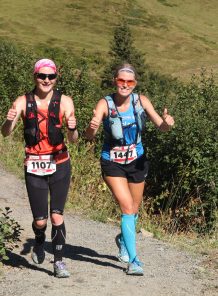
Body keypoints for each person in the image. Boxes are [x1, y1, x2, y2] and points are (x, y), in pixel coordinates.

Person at [85, 63, 174, 276]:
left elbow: (160, 126)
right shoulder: (104, 104)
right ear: (114, 81)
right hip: (112, 162)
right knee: (126, 208)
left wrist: (168, 124)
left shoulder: (141, 101)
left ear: (135, 84)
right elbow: (89, 136)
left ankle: (123, 239)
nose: (125, 85)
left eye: (129, 82)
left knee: (134, 210)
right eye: (121, 81)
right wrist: (92, 127)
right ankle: (134, 261)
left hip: (137, 161)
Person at [1, 58, 78, 278]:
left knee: (56, 216)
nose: (46, 80)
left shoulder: (65, 101)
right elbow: (6, 132)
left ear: (55, 78)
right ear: (35, 77)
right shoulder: (22, 102)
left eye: (50, 76)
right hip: (34, 165)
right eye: (42, 76)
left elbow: (73, 139)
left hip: (60, 163)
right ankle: (39, 239)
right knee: (41, 221)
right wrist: (7, 121)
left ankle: (59, 262)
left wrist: (72, 129)